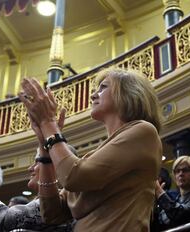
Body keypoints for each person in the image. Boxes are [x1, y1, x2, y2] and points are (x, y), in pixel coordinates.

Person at [18, 67, 162, 231]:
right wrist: (44, 150)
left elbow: (74, 176)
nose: (93, 95)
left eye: (103, 87)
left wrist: (48, 123)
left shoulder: (144, 131)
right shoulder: (95, 156)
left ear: (128, 93)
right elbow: (52, 213)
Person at [0, 148, 73, 232]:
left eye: (37, 161)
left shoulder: (61, 202)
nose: (30, 168)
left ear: (55, 166)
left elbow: (2, 221)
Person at [153, 156, 190, 230]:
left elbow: (180, 215)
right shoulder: (177, 199)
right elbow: (161, 225)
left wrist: (159, 191)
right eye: (177, 171)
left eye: (185, 170)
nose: (180, 174)